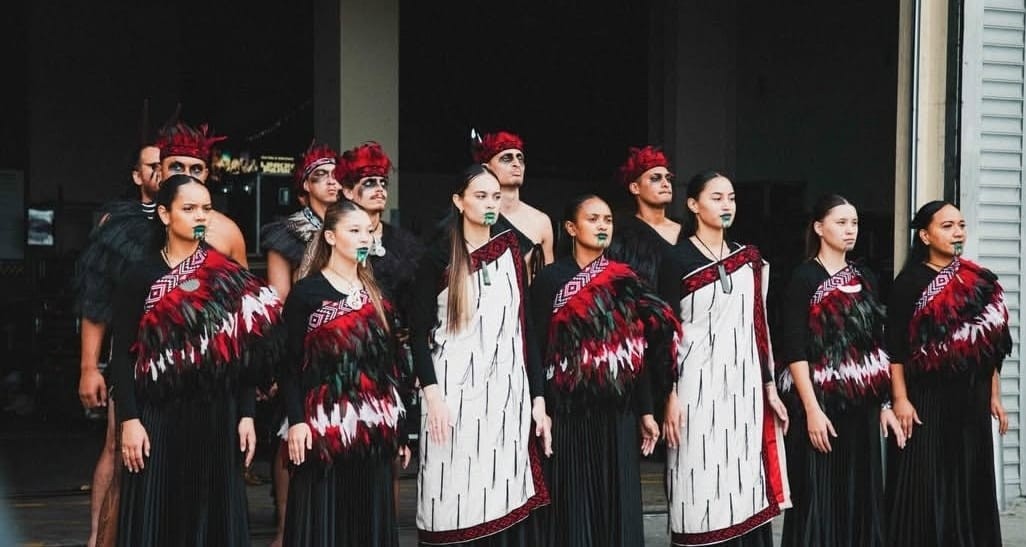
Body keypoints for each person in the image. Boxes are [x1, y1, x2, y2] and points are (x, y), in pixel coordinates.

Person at [109, 175, 284, 546]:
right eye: (188, 209)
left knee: (214, 517)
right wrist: (129, 420)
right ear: (164, 214)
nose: (199, 216)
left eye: (206, 208)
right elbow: (121, 356)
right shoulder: (140, 275)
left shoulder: (228, 274)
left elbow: (243, 355)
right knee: (159, 515)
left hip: (218, 415)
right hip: (158, 416)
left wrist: (248, 414)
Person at [409, 164, 550, 545]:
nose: (490, 204)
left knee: (504, 489)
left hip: (507, 395)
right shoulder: (437, 258)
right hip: (451, 395)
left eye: (495, 196)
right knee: (451, 494)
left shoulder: (511, 250)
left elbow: (526, 329)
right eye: (480, 196)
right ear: (459, 201)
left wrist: (538, 398)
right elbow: (417, 337)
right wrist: (432, 395)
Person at [530, 194, 680, 547]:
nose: (602, 226)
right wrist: (539, 405)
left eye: (608, 220)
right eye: (593, 219)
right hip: (567, 412)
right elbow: (533, 348)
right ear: (570, 228)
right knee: (574, 501)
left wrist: (646, 410)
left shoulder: (625, 277)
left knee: (618, 499)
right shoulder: (550, 280)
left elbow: (635, 349)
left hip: (618, 411)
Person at [659, 170, 791, 547]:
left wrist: (769, 385)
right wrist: (668, 393)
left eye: (731, 197)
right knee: (697, 479)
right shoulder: (676, 259)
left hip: (744, 389)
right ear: (693, 205)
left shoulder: (747, 259)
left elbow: (760, 326)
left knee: (745, 480)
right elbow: (664, 332)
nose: (726, 205)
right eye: (716, 197)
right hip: (695, 392)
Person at [281, 200, 412, 546]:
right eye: (354, 231)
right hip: (322, 429)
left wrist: (401, 427)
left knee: (368, 520)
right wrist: (296, 421)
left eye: (367, 231)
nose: (364, 238)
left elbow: (392, 367)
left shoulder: (378, 294)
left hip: (374, 432)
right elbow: (289, 365)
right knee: (323, 522)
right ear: (330, 237)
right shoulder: (307, 293)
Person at [776, 194, 902, 546]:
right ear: (819, 227)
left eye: (855, 223)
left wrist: (885, 405)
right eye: (841, 222)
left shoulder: (865, 277)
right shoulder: (803, 277)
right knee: (818, 495)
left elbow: (875, 345)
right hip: (820, 403)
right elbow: (794, 348)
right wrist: (812, 410)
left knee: (862, 493)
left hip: (861, 403)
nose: (850, 230)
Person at [884, 200, 1011, 546]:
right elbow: (894, 350)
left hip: (972, 397)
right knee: (927, 485)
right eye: (947, 226)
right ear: (925, 235)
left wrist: (994, 395)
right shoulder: (908, 283)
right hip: (927, 399)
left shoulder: (978, 279)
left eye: (961, 225)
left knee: (970, 479)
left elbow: (990, 346)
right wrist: (900, 400)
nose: (958, 232)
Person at [74, 143, 162, 547]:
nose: (162, 171)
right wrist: (89, 367)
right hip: (130, 353)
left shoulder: (204, 219)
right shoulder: (117, 223)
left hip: (184, 357)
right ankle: (98, 538)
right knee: (116, 443)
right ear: (136, 175)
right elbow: (96, 300)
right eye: (154, 165)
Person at [259, 140, 341, 547]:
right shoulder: (287, 233)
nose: (330, 182)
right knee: (290, 428)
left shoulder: (353, 224)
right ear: (303, 187)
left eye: (334, 174)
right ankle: (283, 528)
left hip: (346, 343)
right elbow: (278, 300)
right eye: (319, 176)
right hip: (300, 341)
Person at [336, 141, 423, 313]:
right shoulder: (333, 239)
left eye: (383, 183)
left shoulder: (406, 243)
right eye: (369, 183)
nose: (379, 189)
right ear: (348, 191)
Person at [155, 121, 248, 266]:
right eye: (176, 167)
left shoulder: (227, 232)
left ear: (206, 175)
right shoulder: (132, 229)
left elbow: (244, 287)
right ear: (160, 172)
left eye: (196, 169)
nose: (187, 176)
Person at [471, 130, 554, 278]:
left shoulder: (541, 221)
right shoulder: (473, 216)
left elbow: (548, 281)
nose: (516, 164)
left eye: (520, 158)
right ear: (487, 167)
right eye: (506, 158)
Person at [607, 145, 683, 288]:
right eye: (655, 178)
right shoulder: (621, 235)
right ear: (635, 188)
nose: (666, 184)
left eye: (668, 178)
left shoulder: (689, 230)